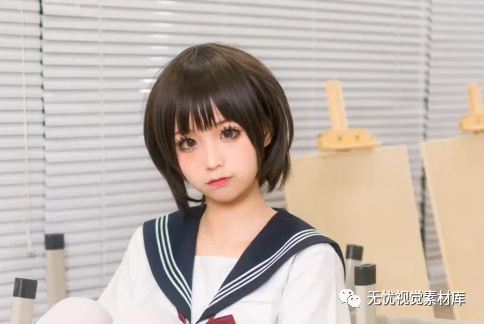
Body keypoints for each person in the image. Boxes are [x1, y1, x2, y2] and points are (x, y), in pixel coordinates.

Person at [37, 43, 350, 324]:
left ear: (265, 131)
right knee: (77, 312)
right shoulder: (152, 244)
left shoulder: (307, 258)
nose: (211, 161)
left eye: (228, 133)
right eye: (187, 142)